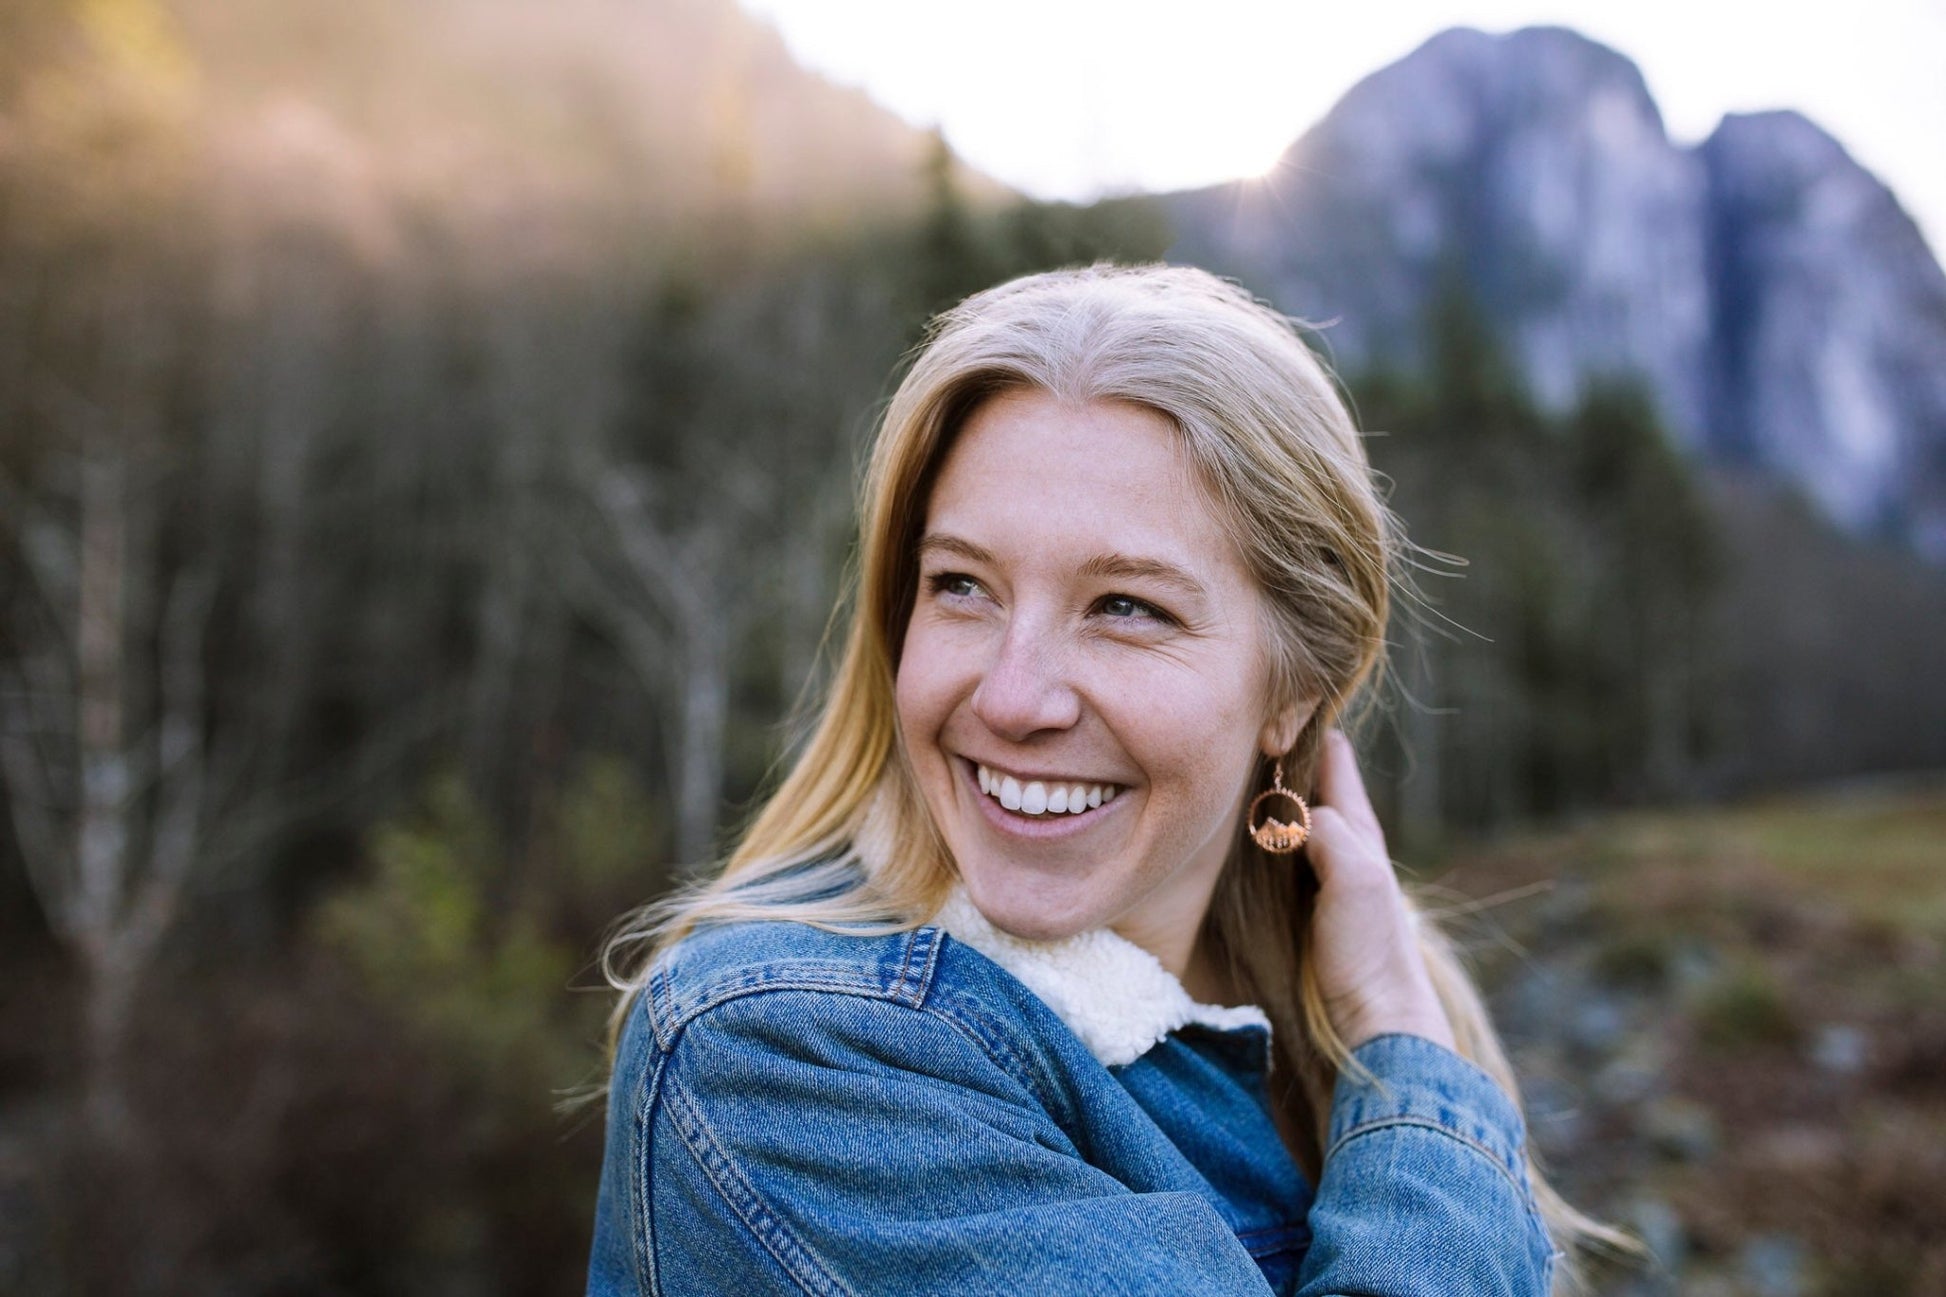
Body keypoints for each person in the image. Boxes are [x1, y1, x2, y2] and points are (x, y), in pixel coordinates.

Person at [585, 264, 1630, 1295]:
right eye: (961, 585)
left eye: (1124, 606)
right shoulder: (780, 1048)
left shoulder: (1318, 1030)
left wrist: (1382, 1030)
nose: (1010, 696)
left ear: (1295, 693)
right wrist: (1406, 1051)